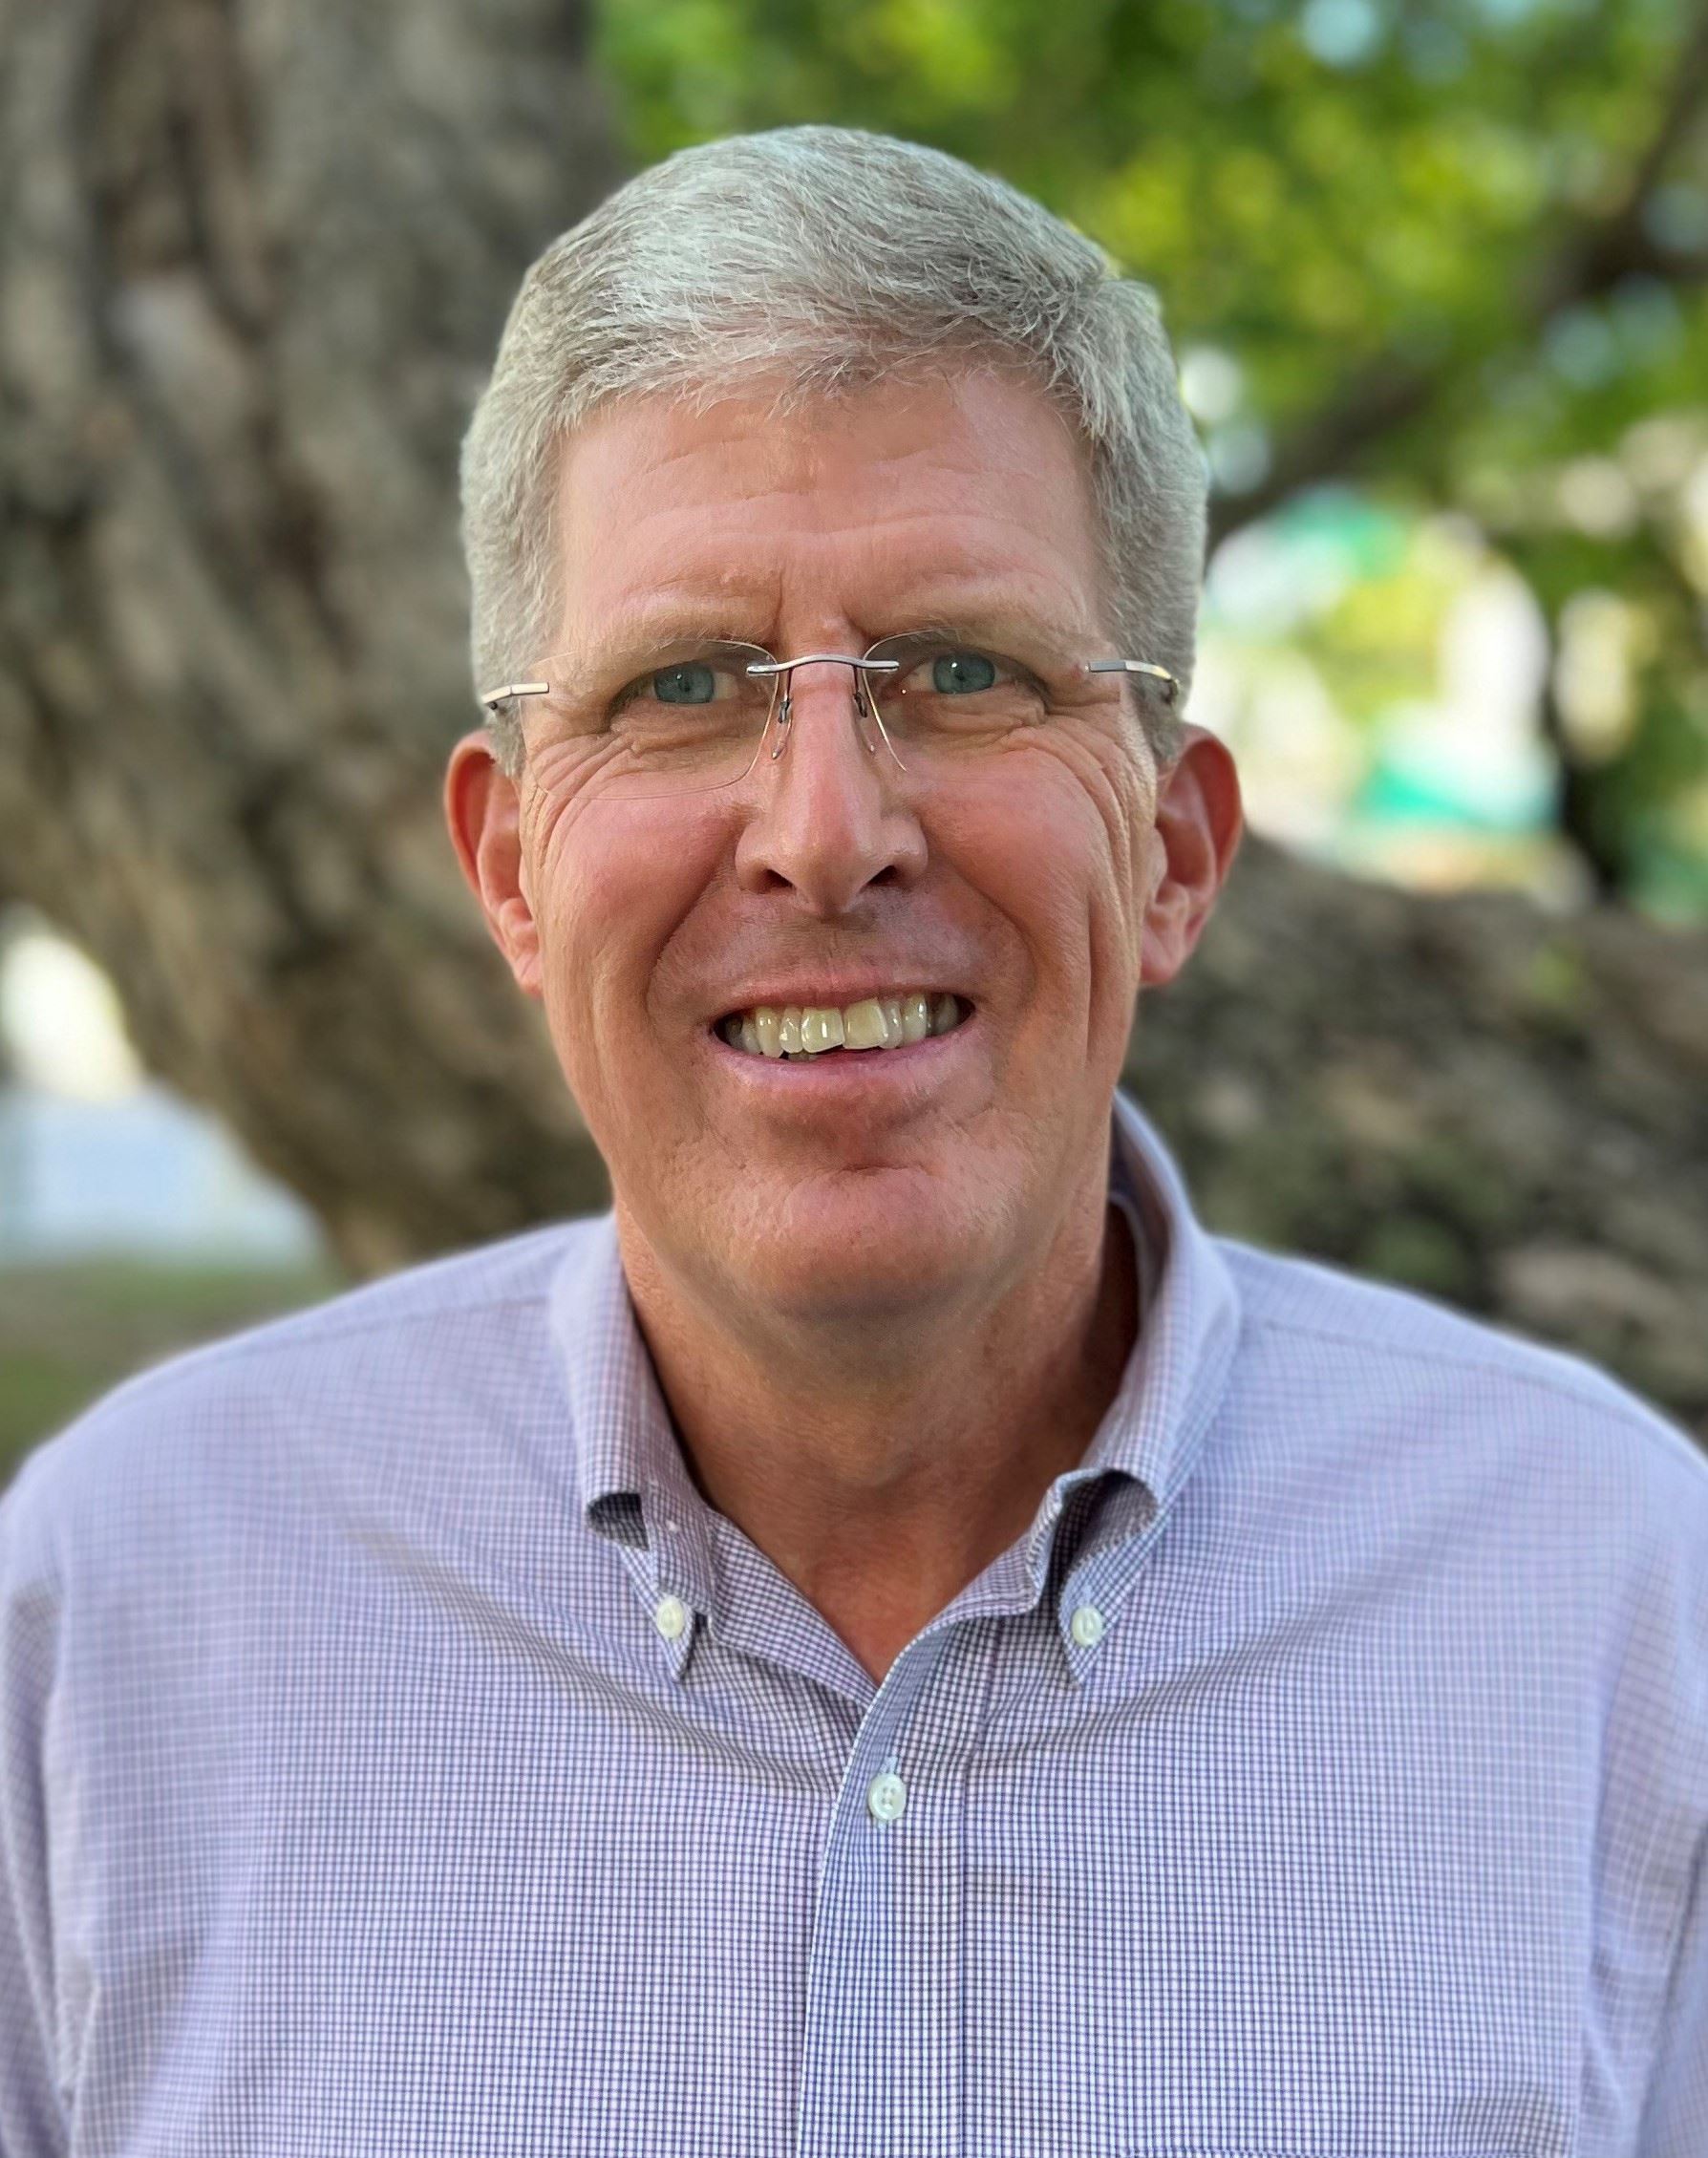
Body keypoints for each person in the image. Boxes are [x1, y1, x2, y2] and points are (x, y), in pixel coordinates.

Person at [1, 125, 1702, 2158]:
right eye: (685, 684)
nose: (825, 826)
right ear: (511, 867)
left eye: (964, 671)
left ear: (1172, 853)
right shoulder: (115, 1617)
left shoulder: (1621, 1606)